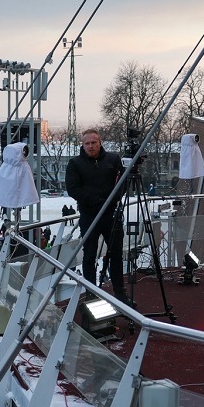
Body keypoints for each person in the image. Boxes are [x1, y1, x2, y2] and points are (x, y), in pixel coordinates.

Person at [64, 129, 126, 300]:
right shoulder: (75, 163)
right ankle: (91, 295)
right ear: (82, 145)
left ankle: (120, 294)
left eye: (94, 142)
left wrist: (113, 199)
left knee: (116, 254)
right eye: (87, 143)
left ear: (100, 142)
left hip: (111, 214)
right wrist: (96, 201)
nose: (90, 146)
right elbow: (72, 189)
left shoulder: (113, 160)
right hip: (89, 215)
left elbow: (123, 182)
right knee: (89, 255)